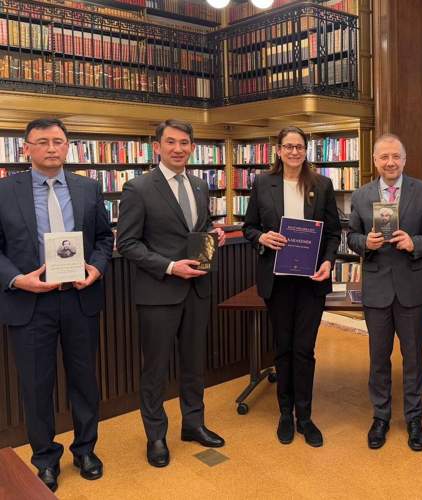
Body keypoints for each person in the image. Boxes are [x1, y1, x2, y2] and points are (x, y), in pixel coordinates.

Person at [0, 118, 114, 492]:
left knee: (84, 380)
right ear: (26, 148)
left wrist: (96, 268)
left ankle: (85, 450)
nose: (52, 148)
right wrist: (19, 279)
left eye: (59, 141)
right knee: (36, 385)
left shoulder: (88, 188)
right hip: (29, 303)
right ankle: (45, 458)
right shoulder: (4, 191)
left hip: (79, 298)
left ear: (68, 147)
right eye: (43, 141)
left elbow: (103, 238)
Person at [117, 119, 227, 468]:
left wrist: (214, 233)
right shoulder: (138, 188)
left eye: (185, 142)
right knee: (156, 369)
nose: (179, 148)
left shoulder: (198, 185)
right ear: (157, 146)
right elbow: (128, 243)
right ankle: (156, 435)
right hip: (159, 292)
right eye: (171, 142)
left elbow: (198, 228)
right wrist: (168, 266)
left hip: (197, 289)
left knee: (195, 364)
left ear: (192, 147)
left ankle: (193, 424)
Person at [242, 126, 341, 447]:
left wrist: (328, 261)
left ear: (306, 150)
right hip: (278, 279)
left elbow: (333, 233)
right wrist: (262, 238)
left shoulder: (322, 185)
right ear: (279, 150)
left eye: (299, 146)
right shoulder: (262, 184)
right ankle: (285, 413)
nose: (294, 152)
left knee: (304, 350)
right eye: (289, 146)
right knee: (283, 348)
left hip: (311, 280)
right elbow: (249, 227)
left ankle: (306, 416)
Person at [347, 133, 422, 451]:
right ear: (374, 161)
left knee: (413, 358)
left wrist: (415, 243)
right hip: (376, 288)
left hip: (412, 287)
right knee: (378, 358)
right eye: (383, 157)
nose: (390, 162)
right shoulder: (360, 196)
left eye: (395, 156)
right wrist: (365, 243)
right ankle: (381, 416)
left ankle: (414, 418)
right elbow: (351, 237)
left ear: (404, 159)